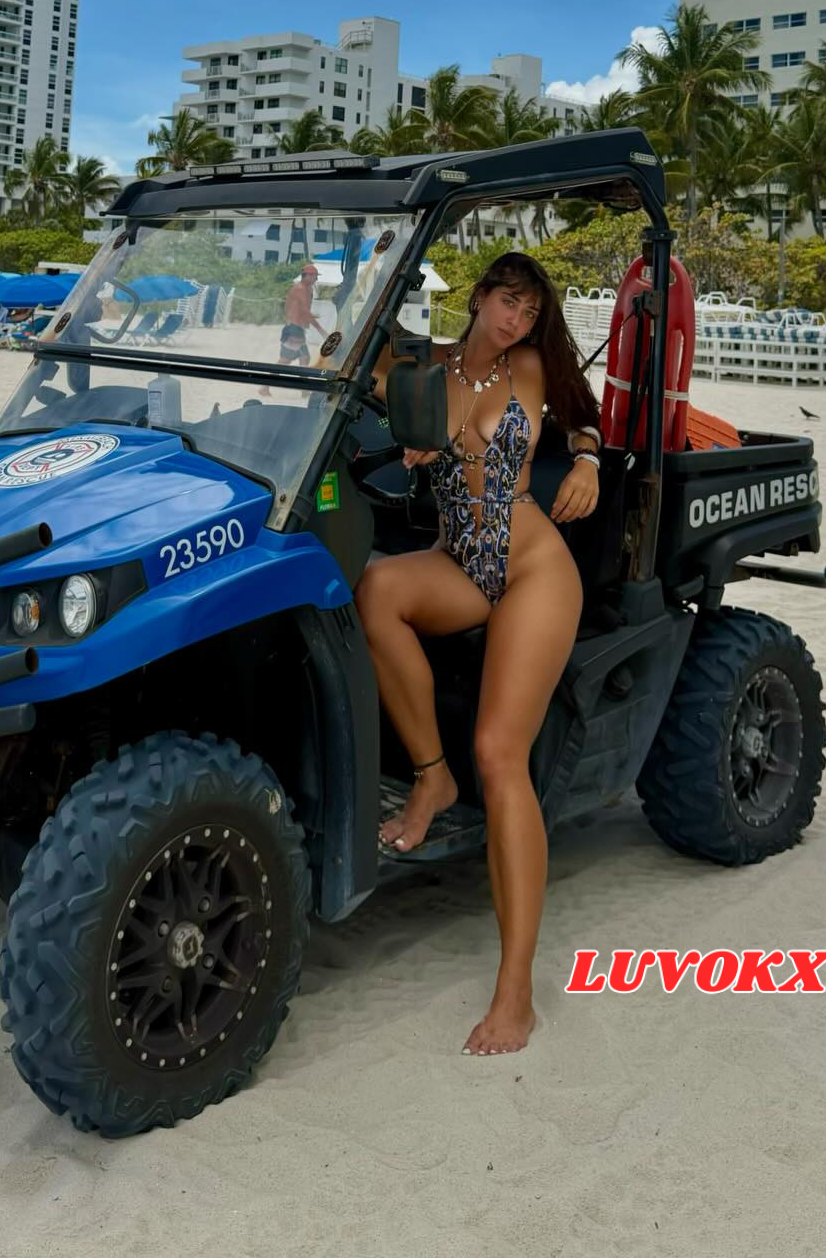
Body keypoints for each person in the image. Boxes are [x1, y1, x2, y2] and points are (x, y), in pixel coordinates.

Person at [354, 251, 602, 1059]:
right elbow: (337, 357)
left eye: (529, 311)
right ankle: (432, 775)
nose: (516, 320)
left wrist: (589, 460)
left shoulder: (531, 366)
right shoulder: (419, 369)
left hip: (532, 568)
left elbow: (585, 413)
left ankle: (515, 990)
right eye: (507, 302)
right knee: (376, 590)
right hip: (459, 562)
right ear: (480, 296)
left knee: (501, 754)